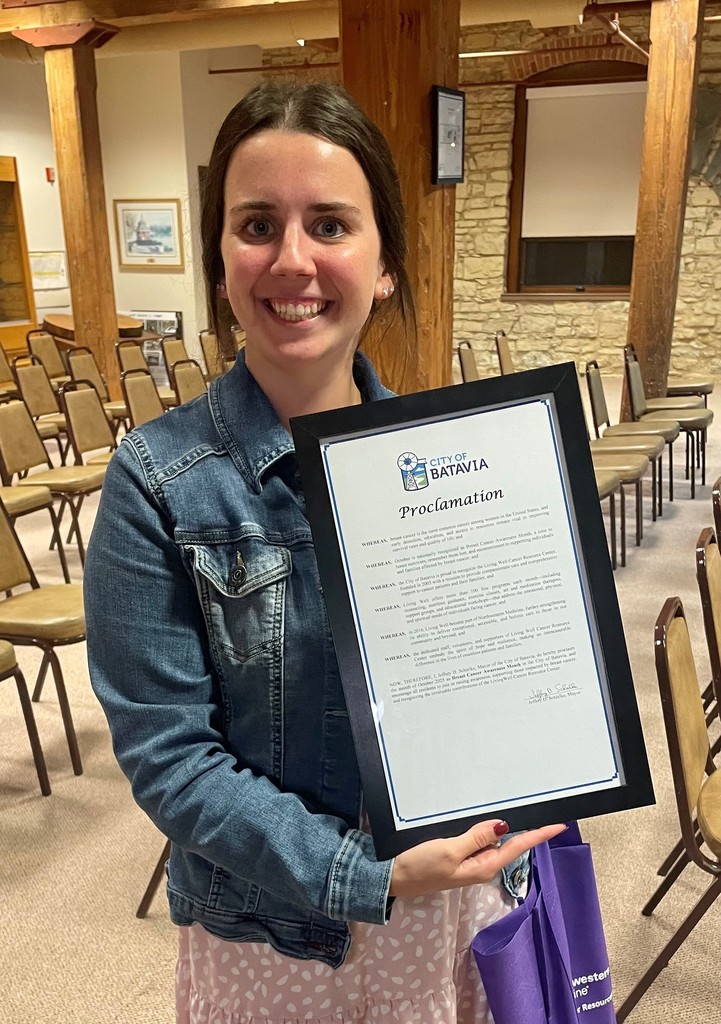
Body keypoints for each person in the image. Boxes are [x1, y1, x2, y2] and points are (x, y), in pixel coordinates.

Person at [85, 81, 565, 1024]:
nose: (292, 259)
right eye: (257, 223)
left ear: (383, 263)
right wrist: (367, 876)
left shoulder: (462, 464)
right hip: (275, 934)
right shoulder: (157, 484)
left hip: (447, 905)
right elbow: (171, 760)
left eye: (332, 224)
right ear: (221, 257)